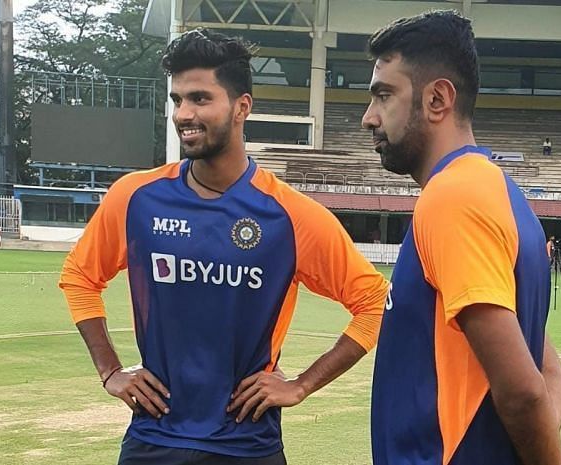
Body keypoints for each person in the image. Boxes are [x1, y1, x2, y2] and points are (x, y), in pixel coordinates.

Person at [58, 29, 389, 465]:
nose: (184, 114)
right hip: (154, 438)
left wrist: (302, 384)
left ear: (241, 107)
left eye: (199, 98)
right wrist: (110, 371)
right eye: (177, 100)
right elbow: (79, 278)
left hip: (247, 444)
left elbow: (373, 301)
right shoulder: (135, 197)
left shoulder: (290, 215)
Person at [362, 11, 561, 465]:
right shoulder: (501, 194)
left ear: (437, 99)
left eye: (383, 96)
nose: (368, 118)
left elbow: (523, 390)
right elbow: (545, 366)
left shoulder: (453, 197)